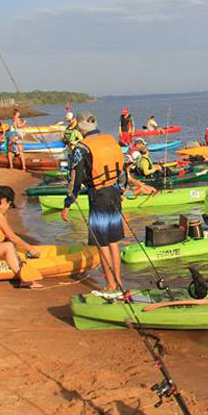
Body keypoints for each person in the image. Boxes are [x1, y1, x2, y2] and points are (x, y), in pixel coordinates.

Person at [60, 111, 127, 298]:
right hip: (114, 194)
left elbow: (75, 178)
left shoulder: (81, 149)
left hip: (98, 196)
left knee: (102, 244)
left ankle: (110, 285)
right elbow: (123, 170)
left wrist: (68, 203)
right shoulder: (111, 140)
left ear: (80, 128)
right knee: (114, 242)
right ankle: (119, 283)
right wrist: (122, 190)